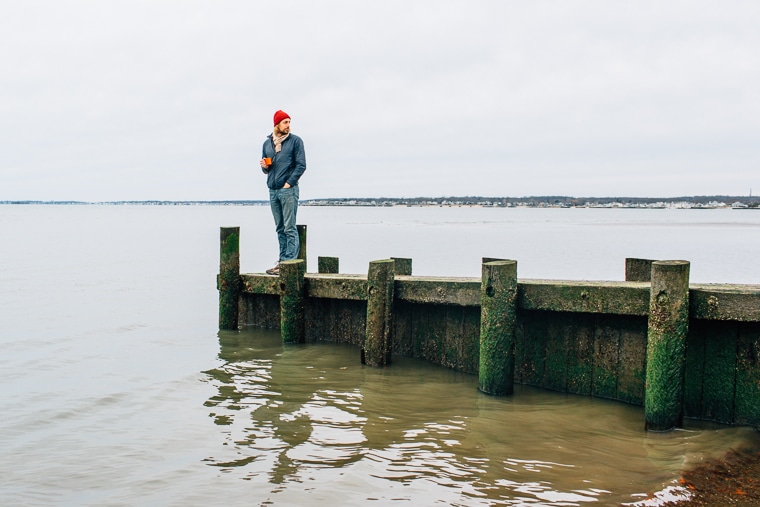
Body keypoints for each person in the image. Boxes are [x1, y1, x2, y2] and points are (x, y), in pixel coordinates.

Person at [260, 110, 307, 275]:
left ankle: (289, 264)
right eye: (285, 122)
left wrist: (289, 183)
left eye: (289, 122)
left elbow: (301, 165)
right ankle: (282, 262)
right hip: (272, 190)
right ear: (277, 124)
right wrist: (264, 167)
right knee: (280, 228)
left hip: (288, 190)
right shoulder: (267, 144)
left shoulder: (295, 141)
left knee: (289, 227)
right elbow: (267, 169)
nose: (288, 125)